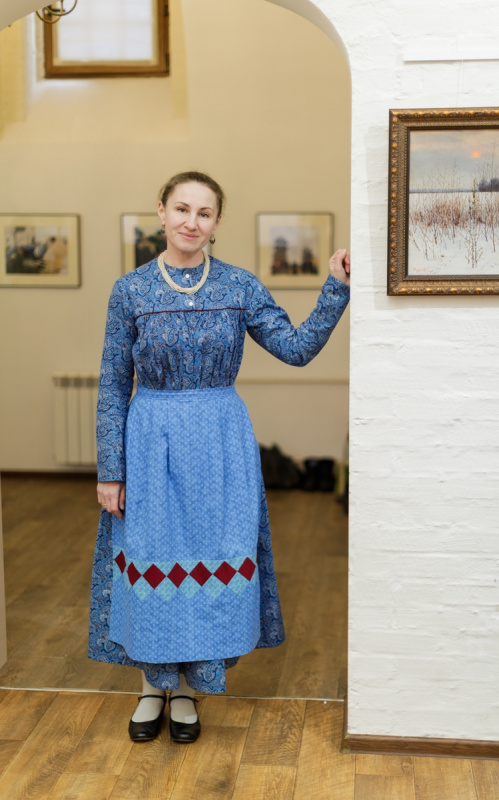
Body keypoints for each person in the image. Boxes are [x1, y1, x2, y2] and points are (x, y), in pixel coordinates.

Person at [88, 171, 350, 744]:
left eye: (204, 213)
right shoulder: (130, 291)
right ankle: (151, 686)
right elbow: (112, 384)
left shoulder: (238, 285)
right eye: (182, 208)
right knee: (151, 559)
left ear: (216, 222)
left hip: (220, 444)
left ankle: (188, 690)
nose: (191, 221)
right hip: (151, 442)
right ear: (161, 211)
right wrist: (111, 470)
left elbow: (296, 349)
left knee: (211, 560)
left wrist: (336, 288)